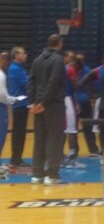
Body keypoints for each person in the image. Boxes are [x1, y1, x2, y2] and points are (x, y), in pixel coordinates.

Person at [27, 34, 66, 185]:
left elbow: (31, 81)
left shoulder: (37, 60)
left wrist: (33, 103)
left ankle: (37, 175)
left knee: (39, 139)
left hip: (38, 105)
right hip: (53, 104)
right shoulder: (58, 59)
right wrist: (44, 102)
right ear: (59, 44)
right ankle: (52, 175)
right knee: (54, 138)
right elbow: (54, 82)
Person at [80, 53, 104, 151]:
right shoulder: (96, 71)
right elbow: (83, 82)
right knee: (100, 126)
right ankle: (101, 148)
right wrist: (91, 94)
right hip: (100, 100)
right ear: (103, 61)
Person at [7, 47, 29, 167]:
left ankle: (17, 158)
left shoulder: (18, 68)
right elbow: (26, 84)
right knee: (19, 133)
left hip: (21, 104)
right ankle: (16, 159)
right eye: (23, 53)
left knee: (20, 132)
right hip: (20, 104)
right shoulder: (15, 69)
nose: (25, 55)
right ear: (16, 55)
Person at [75, 53, 99, 157]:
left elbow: (92, 86)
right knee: (72, 128)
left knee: (88, 127)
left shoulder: (88, 71)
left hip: (85, 102)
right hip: (74, 102)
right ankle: (74, 151)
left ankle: (93, 149)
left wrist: (91, 98)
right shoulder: (72, 71)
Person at [0, 52, 17, 165]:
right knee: (1, 135)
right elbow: (2, 95)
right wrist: (12, 99)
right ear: (3, 60)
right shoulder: (1, 75)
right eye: (7, 61)